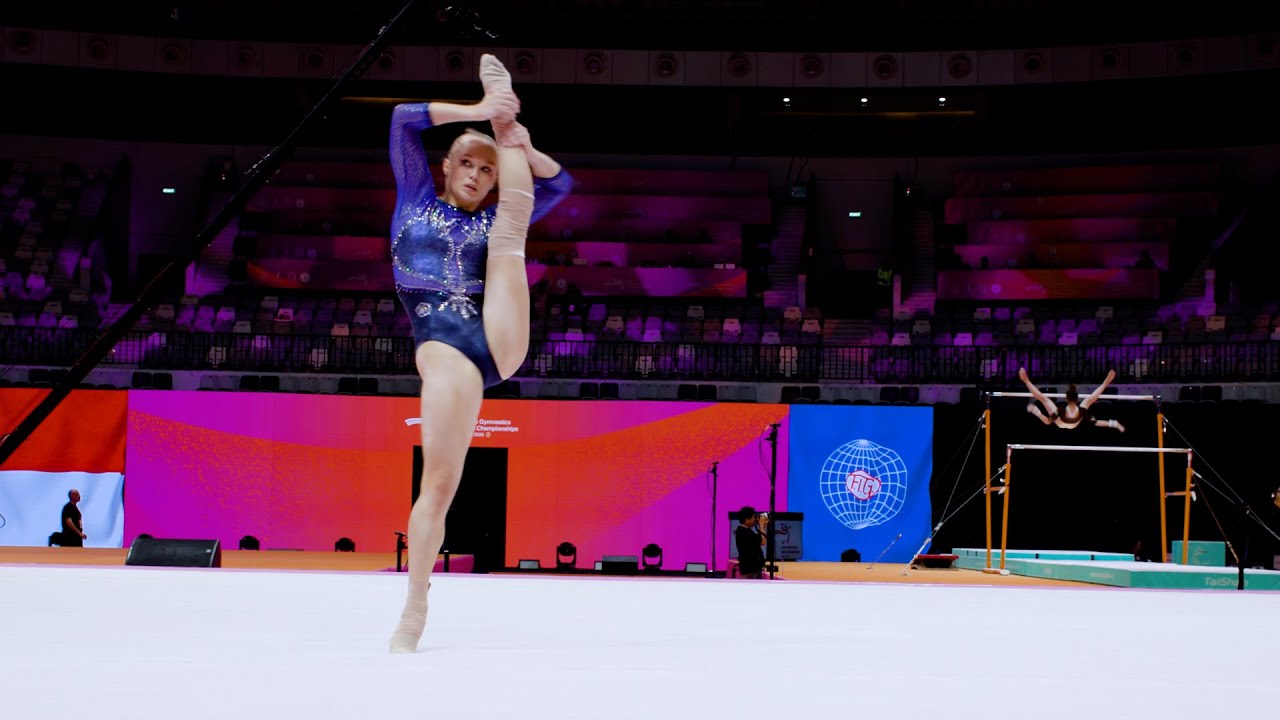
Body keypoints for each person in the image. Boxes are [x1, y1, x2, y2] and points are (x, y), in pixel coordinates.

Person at [387, 54, 572, 654]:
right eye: (466, 163)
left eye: (487, 169)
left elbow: (560, 184)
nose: (474, 175)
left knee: (512, 225)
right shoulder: (414, 194)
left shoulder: (496, 208)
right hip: (447, 349)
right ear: (444, 168)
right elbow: (401, 119)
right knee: (439, 483)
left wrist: (516, 140)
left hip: (499, 329)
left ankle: (507, 123)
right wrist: (477, 113)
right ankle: (414, 610)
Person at [1019, 367, 1126, 432]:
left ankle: (1026, 380)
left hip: (1060, 423)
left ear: (1066, 398)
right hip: (1074, 424)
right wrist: (1114, 424)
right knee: (1090, 399)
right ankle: (1106, 383)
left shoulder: (1060, 411)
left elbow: (1047, 422)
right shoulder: (1082, 411)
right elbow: (1096, 422)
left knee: (1044, 398)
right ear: (1076, 398)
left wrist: (1037, 412)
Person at [734, 506, 768, 579]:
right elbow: (763, 541)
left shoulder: (744, 531)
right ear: (747, 519)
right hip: (750, 570)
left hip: (751, 569)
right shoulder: (745, 532)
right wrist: (761, 525)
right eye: (753, 517)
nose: (755, 520)